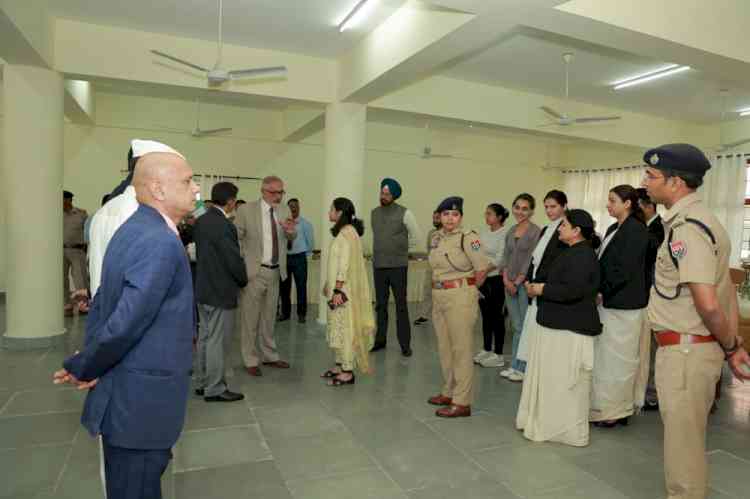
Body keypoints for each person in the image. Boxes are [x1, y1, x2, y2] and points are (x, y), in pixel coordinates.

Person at [53, 146, 200, 499]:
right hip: (140, 403)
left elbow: (105, 302)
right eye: (188, 180)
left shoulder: (134, 228)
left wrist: (90, 360)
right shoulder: (158, 241)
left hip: (128, 391)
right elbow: (125, 321)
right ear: (158, 189)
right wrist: (86, 365)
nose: (196, 188)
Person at [642, 143, 750, 499]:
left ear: (675, 183)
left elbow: (708, 303)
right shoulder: (701, 220)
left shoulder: (687, 228)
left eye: (652, 176)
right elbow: (725, 292)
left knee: (683, 450)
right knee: (685, 445)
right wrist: (732, 347)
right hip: (692, 349)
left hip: (686, 354)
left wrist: (733, 345)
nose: (644, 182)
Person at [517, 209, 602, 447]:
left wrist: (540, 289)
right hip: (557, 324)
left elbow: (573, 291)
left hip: (569, 329)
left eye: (564, 224)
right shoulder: (571, 251)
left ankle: (562, 430)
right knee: (552, 380)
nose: (559, 228)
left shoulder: (583, 255)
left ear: (576, 231)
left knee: (563, 383)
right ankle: (548, 424)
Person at [590, 184, 650, 427]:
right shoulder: (615, 227)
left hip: (625, 303)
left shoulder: (637, 230)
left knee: (620, 361)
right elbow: (604, 263)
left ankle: (617, 410)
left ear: (627, 204)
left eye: (612, 200)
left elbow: (625, 269)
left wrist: (603, 290)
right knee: (606, 359)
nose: (608, 205)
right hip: (609, 302)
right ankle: (605, 407)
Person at [427, 196, 492, 418]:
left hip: (460, 296)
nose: (450, 218)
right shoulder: (436, 238)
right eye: (446, 214)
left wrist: (468, 289)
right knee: (445, 348)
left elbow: (482, 268)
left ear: (461, 217)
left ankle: (462, 402)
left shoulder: (468, 238)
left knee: (461, 349)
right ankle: (449, 391)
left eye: (455, 214)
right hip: (439, 295)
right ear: (440, 216)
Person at [234, 175, 296, 376]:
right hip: (255, 271)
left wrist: (290, 232)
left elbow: (291, 236)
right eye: (274, 192)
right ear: (263, 191)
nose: (278, 196)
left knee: (269, 318)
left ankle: (270, 356)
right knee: (250, 318)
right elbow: (237, 237)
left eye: (281, 192)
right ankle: (250, 359)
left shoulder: (285, 209)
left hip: (276, 271)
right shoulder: (246, 210)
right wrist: (246, 261)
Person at [193, 182, 248, 402]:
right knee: (216, 340)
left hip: (203, 287)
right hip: (219, 290)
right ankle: (215, 388)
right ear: (231, 201)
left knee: (205, 338)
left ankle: (204, 382)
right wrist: (242, 279)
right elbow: (232, 259)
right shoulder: (224, 225)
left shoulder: (202, 220)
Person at [320, 198, 375, 386]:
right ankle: (338, 364)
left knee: (345, 329)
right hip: (339, 287)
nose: (329, 212)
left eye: (331, 209)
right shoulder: (346, 232)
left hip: (343, 291)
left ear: (340, 213)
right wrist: (329, 283)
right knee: (336, 326)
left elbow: (344, 263)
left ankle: (347, 371)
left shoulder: (347, 234)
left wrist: (337, 288)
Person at [515, 190, 570, 367]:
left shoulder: (565, 229)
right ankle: (528, 367)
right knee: (530, 331)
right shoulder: (546, 228)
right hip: (534, 285)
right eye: (546, 207)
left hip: (547, 287)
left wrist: (539, 284)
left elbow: (557, 263)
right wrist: (528, 280)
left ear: (564, 206)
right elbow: (535, 257)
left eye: (553, 206)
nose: (549, 210)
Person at [371, 178, 422, 356]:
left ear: (394, 196)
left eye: (387, 194)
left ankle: (405, 345)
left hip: (398, 267)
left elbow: (416, 237)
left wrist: (401, 251)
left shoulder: (405, 213)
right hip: (379, 266)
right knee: (380, 305)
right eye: (382, 193)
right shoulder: (374, 213)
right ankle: (380, 340)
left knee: (401, 306)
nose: (383, 197)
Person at [499, 194, 541, 382]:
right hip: (509, 283)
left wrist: (518, 282)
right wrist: (506, 279)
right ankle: (515, 364)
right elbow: (506, 257)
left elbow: (531, 259)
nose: (520, 211)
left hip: (523, 285)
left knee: (524, 326)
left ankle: (522, 367)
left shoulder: (535, 232)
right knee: (516, 326)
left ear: (531, 211)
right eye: (517, 207)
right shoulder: (511, 230)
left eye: (525, 208)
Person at [638, 187, 666, 411]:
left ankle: (653, 392)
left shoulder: (660, 229)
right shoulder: (642, 227)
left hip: (655, 294)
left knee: (655, 346)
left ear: (649, 206)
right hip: (640, 294)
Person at [474, 203, 510, 368]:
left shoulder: (505, 233)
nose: (486, 216)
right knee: (485, 316)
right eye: (485, 213)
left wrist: (484, 272)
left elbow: (500, 258)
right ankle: (486, 349)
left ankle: (498, 353)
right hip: (482, 279)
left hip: (495, 279)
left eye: (489, 214)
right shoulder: (484, 232)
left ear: (499, 217)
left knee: (497, 317)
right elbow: (477, 252)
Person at [279, 197, 315, 324]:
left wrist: (306, 255)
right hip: (285, 258)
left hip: (300, 258)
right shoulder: (282, 223)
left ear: (299, 208)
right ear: (287, 209)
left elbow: (310, 243)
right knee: (284, 288)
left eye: (295, 206)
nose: (293, 208)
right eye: (290, 206)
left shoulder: (305, 224)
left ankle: (301, 314)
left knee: (301, 287)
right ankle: (285, 313)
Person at [63, 190, 89, 316]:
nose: (63, 202)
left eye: (65, 199)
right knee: (62, 279)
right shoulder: (55, 215)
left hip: (77, 250)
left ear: (69, 200)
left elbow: (88, 232)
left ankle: (83, 304)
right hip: (61, 251)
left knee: (80, 278)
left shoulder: (81, 214)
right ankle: (67, 304)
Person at [414, 210, 442, 326]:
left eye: (437, 218)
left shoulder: (448, 234)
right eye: (433, 218)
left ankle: (443, 316)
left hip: (443, 270)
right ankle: (424, 315)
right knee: (427, 291)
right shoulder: (431, 233)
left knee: (441, 293)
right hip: (431, 267)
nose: (434, 221)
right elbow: (429, 250)